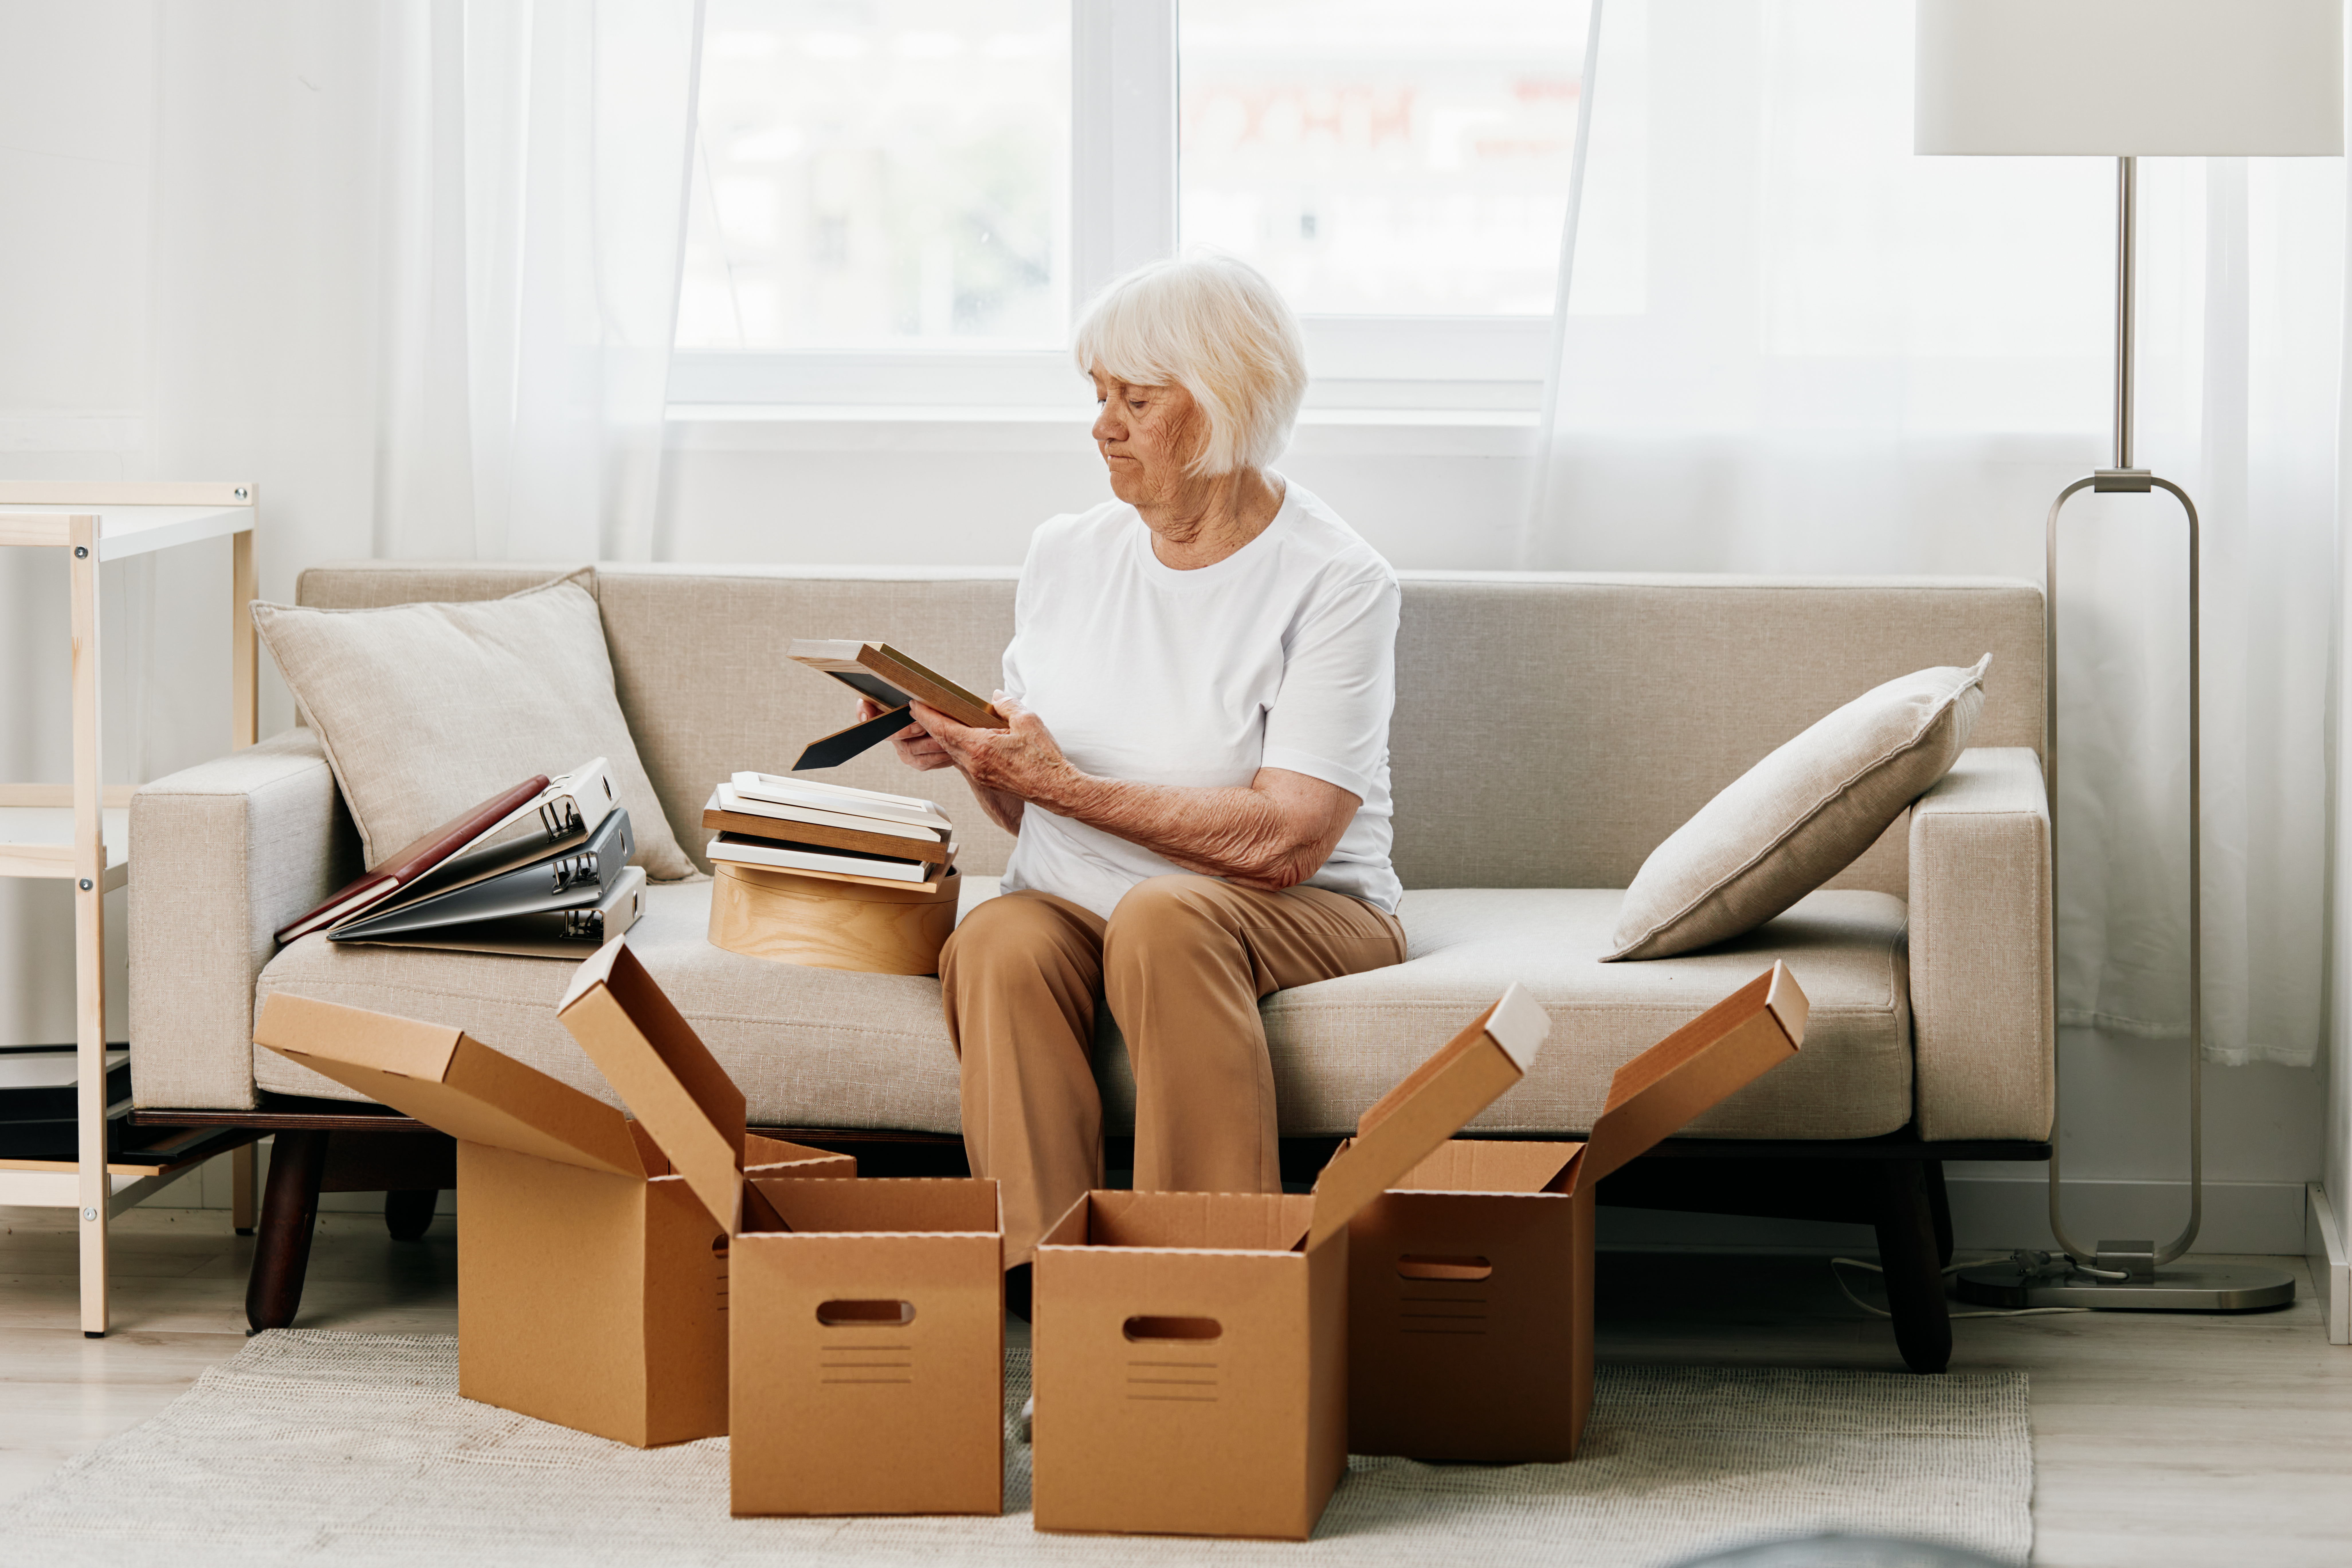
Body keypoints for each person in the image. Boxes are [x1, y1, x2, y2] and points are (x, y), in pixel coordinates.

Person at [865, 252, 1406, 1306]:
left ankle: (1206, 1290)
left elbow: (1290, 841)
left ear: (1227, 401)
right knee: (998, 941)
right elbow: (1030, 812)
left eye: (1137, 400)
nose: (1103, 428)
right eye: (1099, 395)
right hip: (1078, 901)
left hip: (1292, 908)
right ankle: (1055, 1294)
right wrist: (981, 755)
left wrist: (1061, 784)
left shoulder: (1337, 580)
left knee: (1165, 919)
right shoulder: (1067, 552)